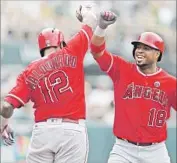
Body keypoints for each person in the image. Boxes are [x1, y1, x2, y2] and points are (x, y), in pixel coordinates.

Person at [0, 5, 97, 163]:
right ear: (60, 44)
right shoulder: (72, 50)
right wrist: (84, 12)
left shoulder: (29, 71)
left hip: (43, 131)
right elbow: (92, 20)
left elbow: (6, 107)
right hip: (71, 130)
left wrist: (3, 124)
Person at [90, 11, 176, 163]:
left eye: (146, 48)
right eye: (138, 47)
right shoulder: (122, 69)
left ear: (157, 54)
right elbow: (97, 52)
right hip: (124, 149)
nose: (140, 51)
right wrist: (101, 27)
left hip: (155, 151)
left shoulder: (170, 83)